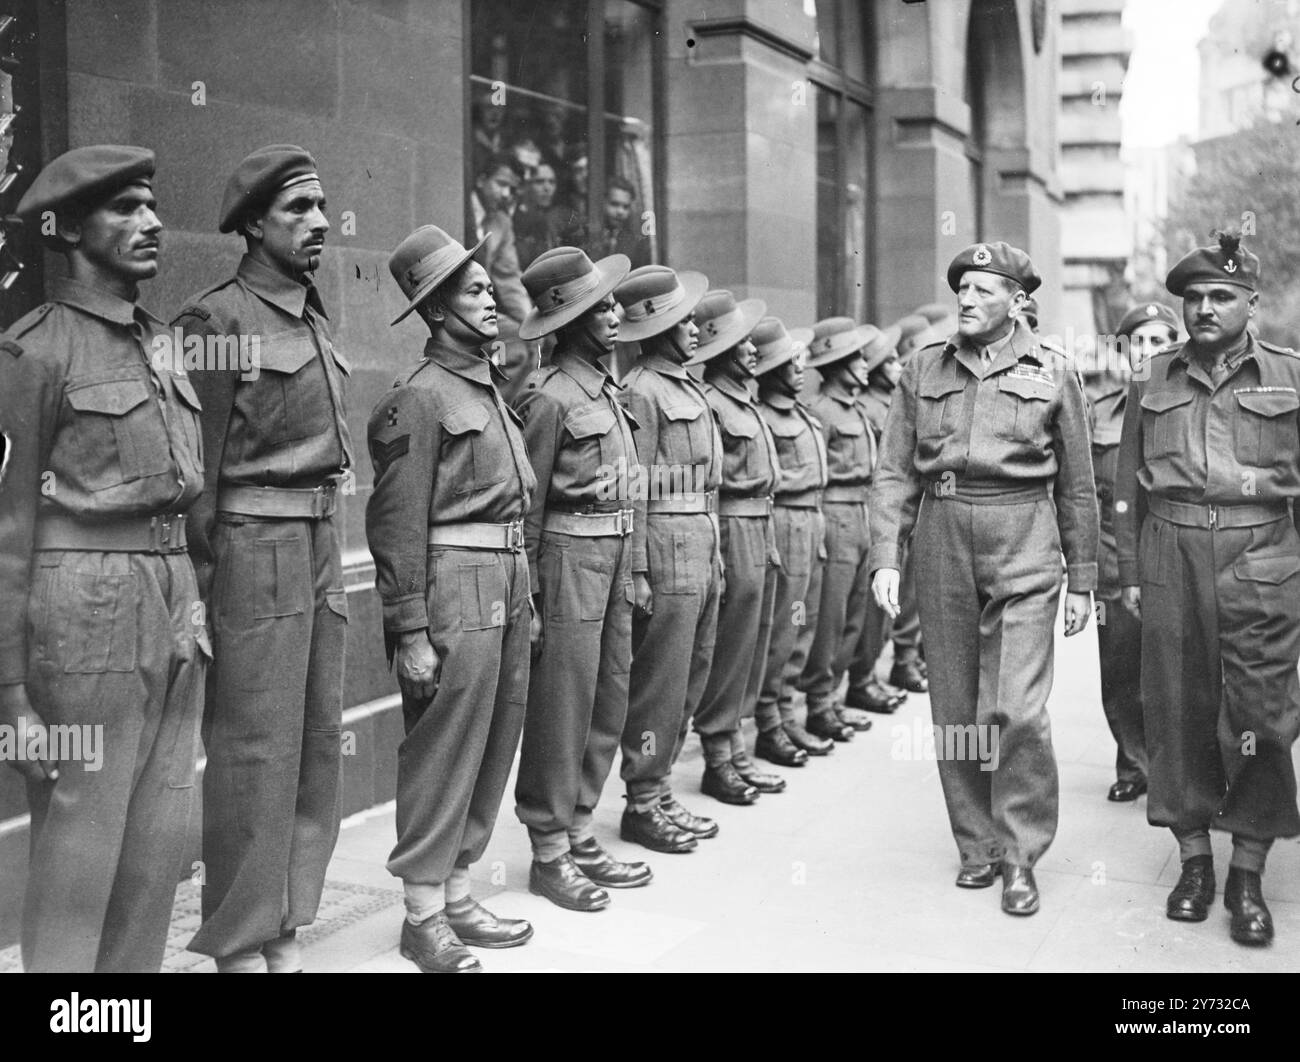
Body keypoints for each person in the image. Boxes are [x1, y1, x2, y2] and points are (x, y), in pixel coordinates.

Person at [0, 145, 205, 973]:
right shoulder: (32, 353)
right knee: (82, 843)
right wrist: (10, 693)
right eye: (125, 208)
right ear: (72, 229)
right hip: (83, 606)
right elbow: (6, 530)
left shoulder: (162, 344)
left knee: (159, 837)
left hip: (170, 594)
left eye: (152, 205)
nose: (151, 222)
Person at [869, 241, 1099, 917]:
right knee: (955, 707)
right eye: (962, 288)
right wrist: (888, 554)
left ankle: (1020, 853)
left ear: (1018, 301)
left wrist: (1083, 580)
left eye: (983, 290)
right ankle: (977, 846)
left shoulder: (1054, 372)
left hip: (1024, 538)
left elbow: (1080, 487)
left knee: (1016, 709)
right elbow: (893, 470)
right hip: (943, 537)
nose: (967, 300)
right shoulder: (922, 369)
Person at [175, 144, 350, 973]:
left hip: (316, 548)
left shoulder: (311, 315)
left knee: (313, 742)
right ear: (251, 223)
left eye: (321, 208)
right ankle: (238, 939)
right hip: (253, 553)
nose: (319, 224)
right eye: (297, 210)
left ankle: (282, 922)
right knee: (252, 748)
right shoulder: (216, 322)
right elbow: (195, 478)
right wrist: (200, 593)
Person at [1115, 232, 1300, 946]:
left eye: (1221, 296)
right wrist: (1128, 574)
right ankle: (1194, 860)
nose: (1204, 308)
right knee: (1176, 706)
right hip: (1171, 554)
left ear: (1251, 304)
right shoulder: (1153, 379)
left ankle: (1248, 869)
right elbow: (1127, 489)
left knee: (1262, 716)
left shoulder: (1288, 377)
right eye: (1192, 297)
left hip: (1264, 559)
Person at [366, 225, 537, 973]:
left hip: (506, 579)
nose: (491, 298)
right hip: (452, 584)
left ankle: (459, 892)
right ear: (435, 311)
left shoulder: (486, 387)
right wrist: (410, 628)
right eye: (472, 290)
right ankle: (422, 914)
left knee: (494, 739)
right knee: (441, 747)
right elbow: (396, 520)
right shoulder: (420, 398)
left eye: (487, 285)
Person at [511, 246, 654, 911]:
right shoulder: (548, 397)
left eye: (616, 301)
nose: (616, 312)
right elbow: (528, 506)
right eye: (602, 306)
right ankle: (548, 849)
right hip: (568, 557)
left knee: (609, 697)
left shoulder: (607, 389)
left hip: (616, 556)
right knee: (562, 707)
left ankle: (579, 826)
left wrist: (641, 566)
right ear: (569, 320)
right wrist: (532, 599)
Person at [614, 264, 727, 850]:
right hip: (666, 547)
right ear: (657, 327)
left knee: (691, 675)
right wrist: (636, 567)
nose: (693, 327)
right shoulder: (642, 390)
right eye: (682, 319)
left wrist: (718, 553)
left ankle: (660, 791)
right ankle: (641, 799)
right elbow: (634, 486)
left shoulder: (688, 387)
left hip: (700, 542)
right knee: (659, 683)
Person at [687, 290, 790, 802]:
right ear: (719, 350)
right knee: (728, 649)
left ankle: (736, 750)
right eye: (741, 343)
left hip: (761, 526)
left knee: (752, 643)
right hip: (730, 528)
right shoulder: (711, 404)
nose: (752, 350)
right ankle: (717, 757)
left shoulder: (744, 402)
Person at [1086, 302, 1179, 804]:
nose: (1148, 352)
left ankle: (1174, 765)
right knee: (1119, 670)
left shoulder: (1186, 409)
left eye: (1159, 342)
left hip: (1171, 553)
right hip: (1109, 558)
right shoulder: (1097, 412)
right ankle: (1133, 762)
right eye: (1138, 343)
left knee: (1173, 668)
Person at [752, 319, 833, 764]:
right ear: (768, 367)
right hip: (785, 521)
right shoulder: (763, 416)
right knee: (782, 629)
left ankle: (787, 715)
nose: (800, 367)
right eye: (789, 361)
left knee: (803, 626)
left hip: (812, 521)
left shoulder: (802, 413)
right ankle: (769, 723)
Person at [798, 317, 881, 743]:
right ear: (837, 365)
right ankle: (818, 702)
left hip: (862, 513)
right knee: (829, 617)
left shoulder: (857, 411)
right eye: (856, 358)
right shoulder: (821, 412)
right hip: (835, 515)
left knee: (855, 613)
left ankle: (835, 698)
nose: (866, 365)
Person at [842, 324, 909, 716]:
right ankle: (859, 681)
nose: (896, 367)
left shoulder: (883, 404)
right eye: (891, 361)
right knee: (861, 612)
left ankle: (867, 677)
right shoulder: (865, 407)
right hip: (856, 511)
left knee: (881, 610)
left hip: (880, 509)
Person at [471, 152, 534, 404]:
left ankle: (504, 416)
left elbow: (508, 278)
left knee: (523, 342)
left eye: (512, 189)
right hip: (450, 310)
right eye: (501, 184)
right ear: (481, 180)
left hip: (477, 311)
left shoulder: (501, 221)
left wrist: (531, 324)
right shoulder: (461, 205)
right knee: (515, 347)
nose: (507, 194)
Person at [567, 176, 650, 268]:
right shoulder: (583, 234)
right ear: (603, 202)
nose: (620, 211)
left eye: (625, 207)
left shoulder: (635, 244)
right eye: (614, 204)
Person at [514, 161, 563, 271]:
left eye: (552, 182)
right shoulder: (515, 218)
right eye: (539, 182)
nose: (547, 188)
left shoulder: (554, 219)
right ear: (526, 185)